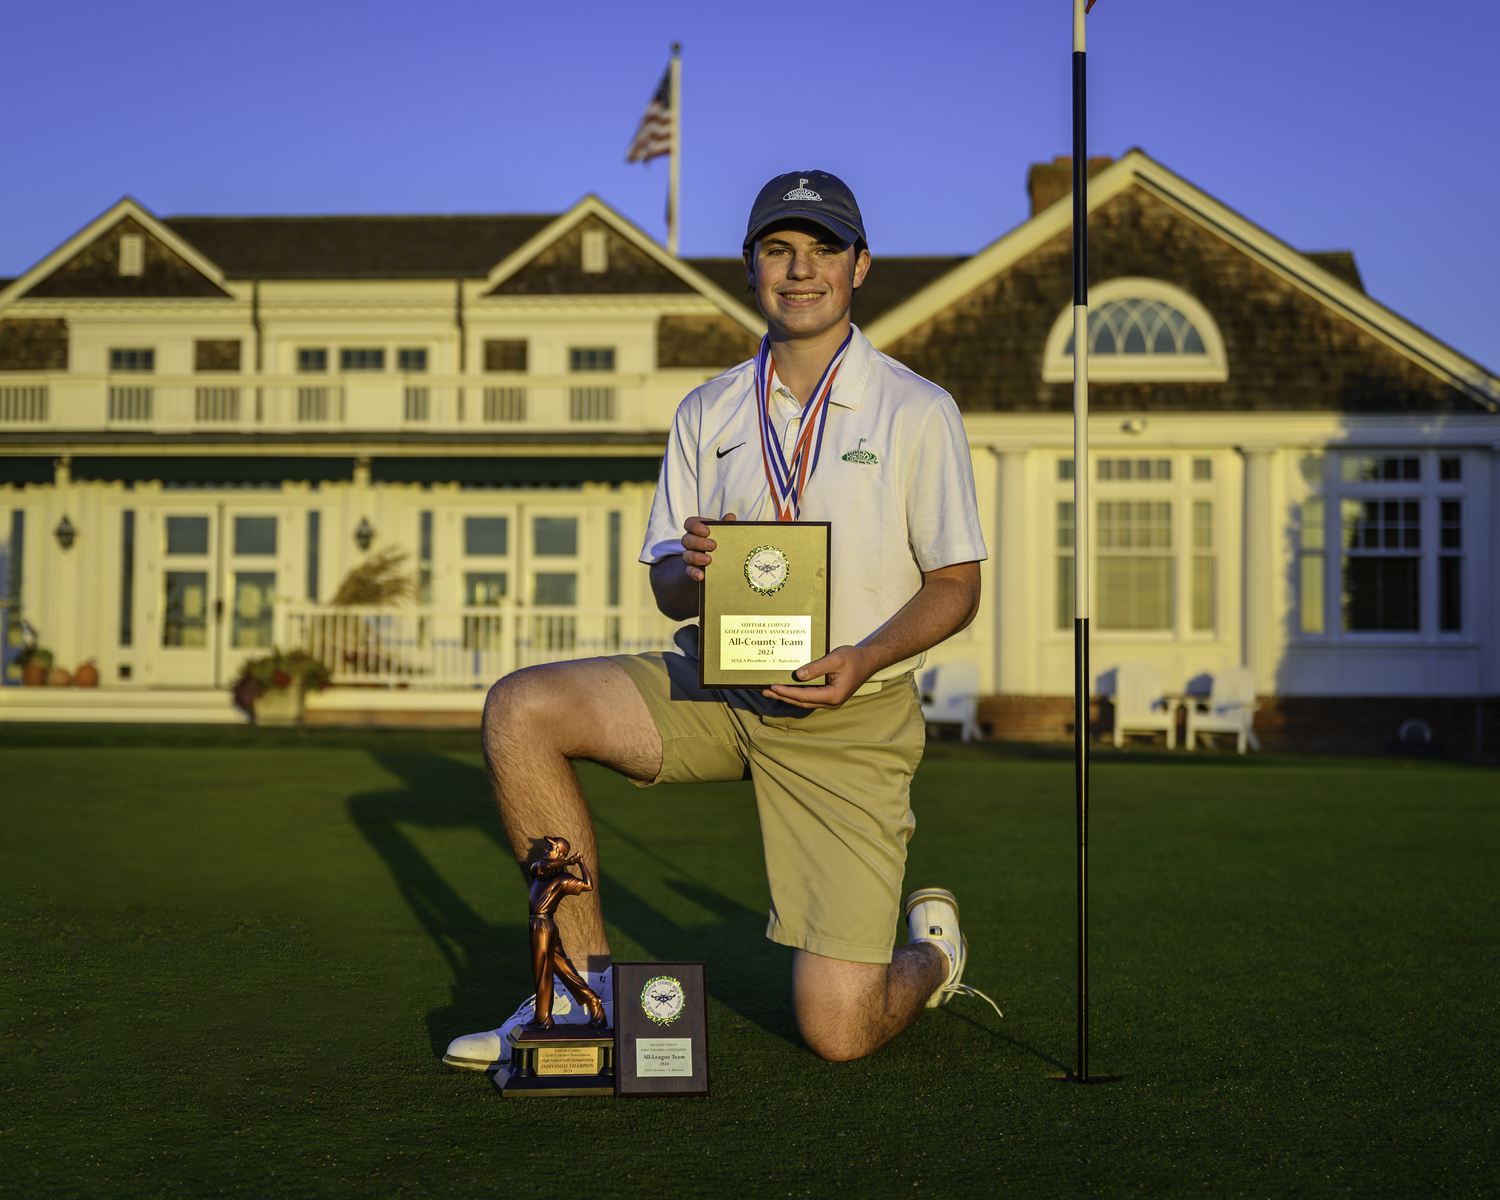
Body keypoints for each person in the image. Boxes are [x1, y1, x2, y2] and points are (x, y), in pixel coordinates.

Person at [442, 170, 995, 1071]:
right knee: (521, 707)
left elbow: (956, 585)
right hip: (718, 685)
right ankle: (582, 997)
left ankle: (933, 954)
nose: (801, 270)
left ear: (861, 266)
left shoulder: (917, 409)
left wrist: (862, 656)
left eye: (823, 250)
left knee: (839, 1030)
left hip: (847, 715)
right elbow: (666, 581)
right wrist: (693, 575)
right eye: (780, 249)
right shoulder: (709, 408)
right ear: (750, 267)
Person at [523, 837, 607, 1030]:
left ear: (560, 853)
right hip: (539, 924)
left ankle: (543, 1018)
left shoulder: (562, 879)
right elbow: (543, 866)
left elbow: (588, 885)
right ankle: (593, 1001)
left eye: (551, 847)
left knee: (542, 971)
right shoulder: (539, 869)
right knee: (563, 969)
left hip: (543, 924)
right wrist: (569, 861)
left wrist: (581, 864)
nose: (546, 849)